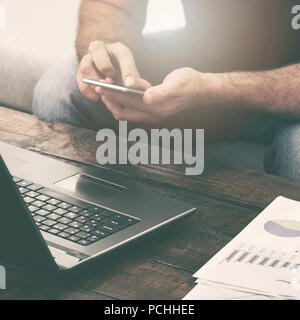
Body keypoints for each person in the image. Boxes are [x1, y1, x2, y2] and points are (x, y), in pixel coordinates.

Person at [33, 0, 300, 180]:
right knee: (58, 93)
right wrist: (107, 47)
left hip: (287, 100)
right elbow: (110, 4)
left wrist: (209, 88)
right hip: (199, 62)